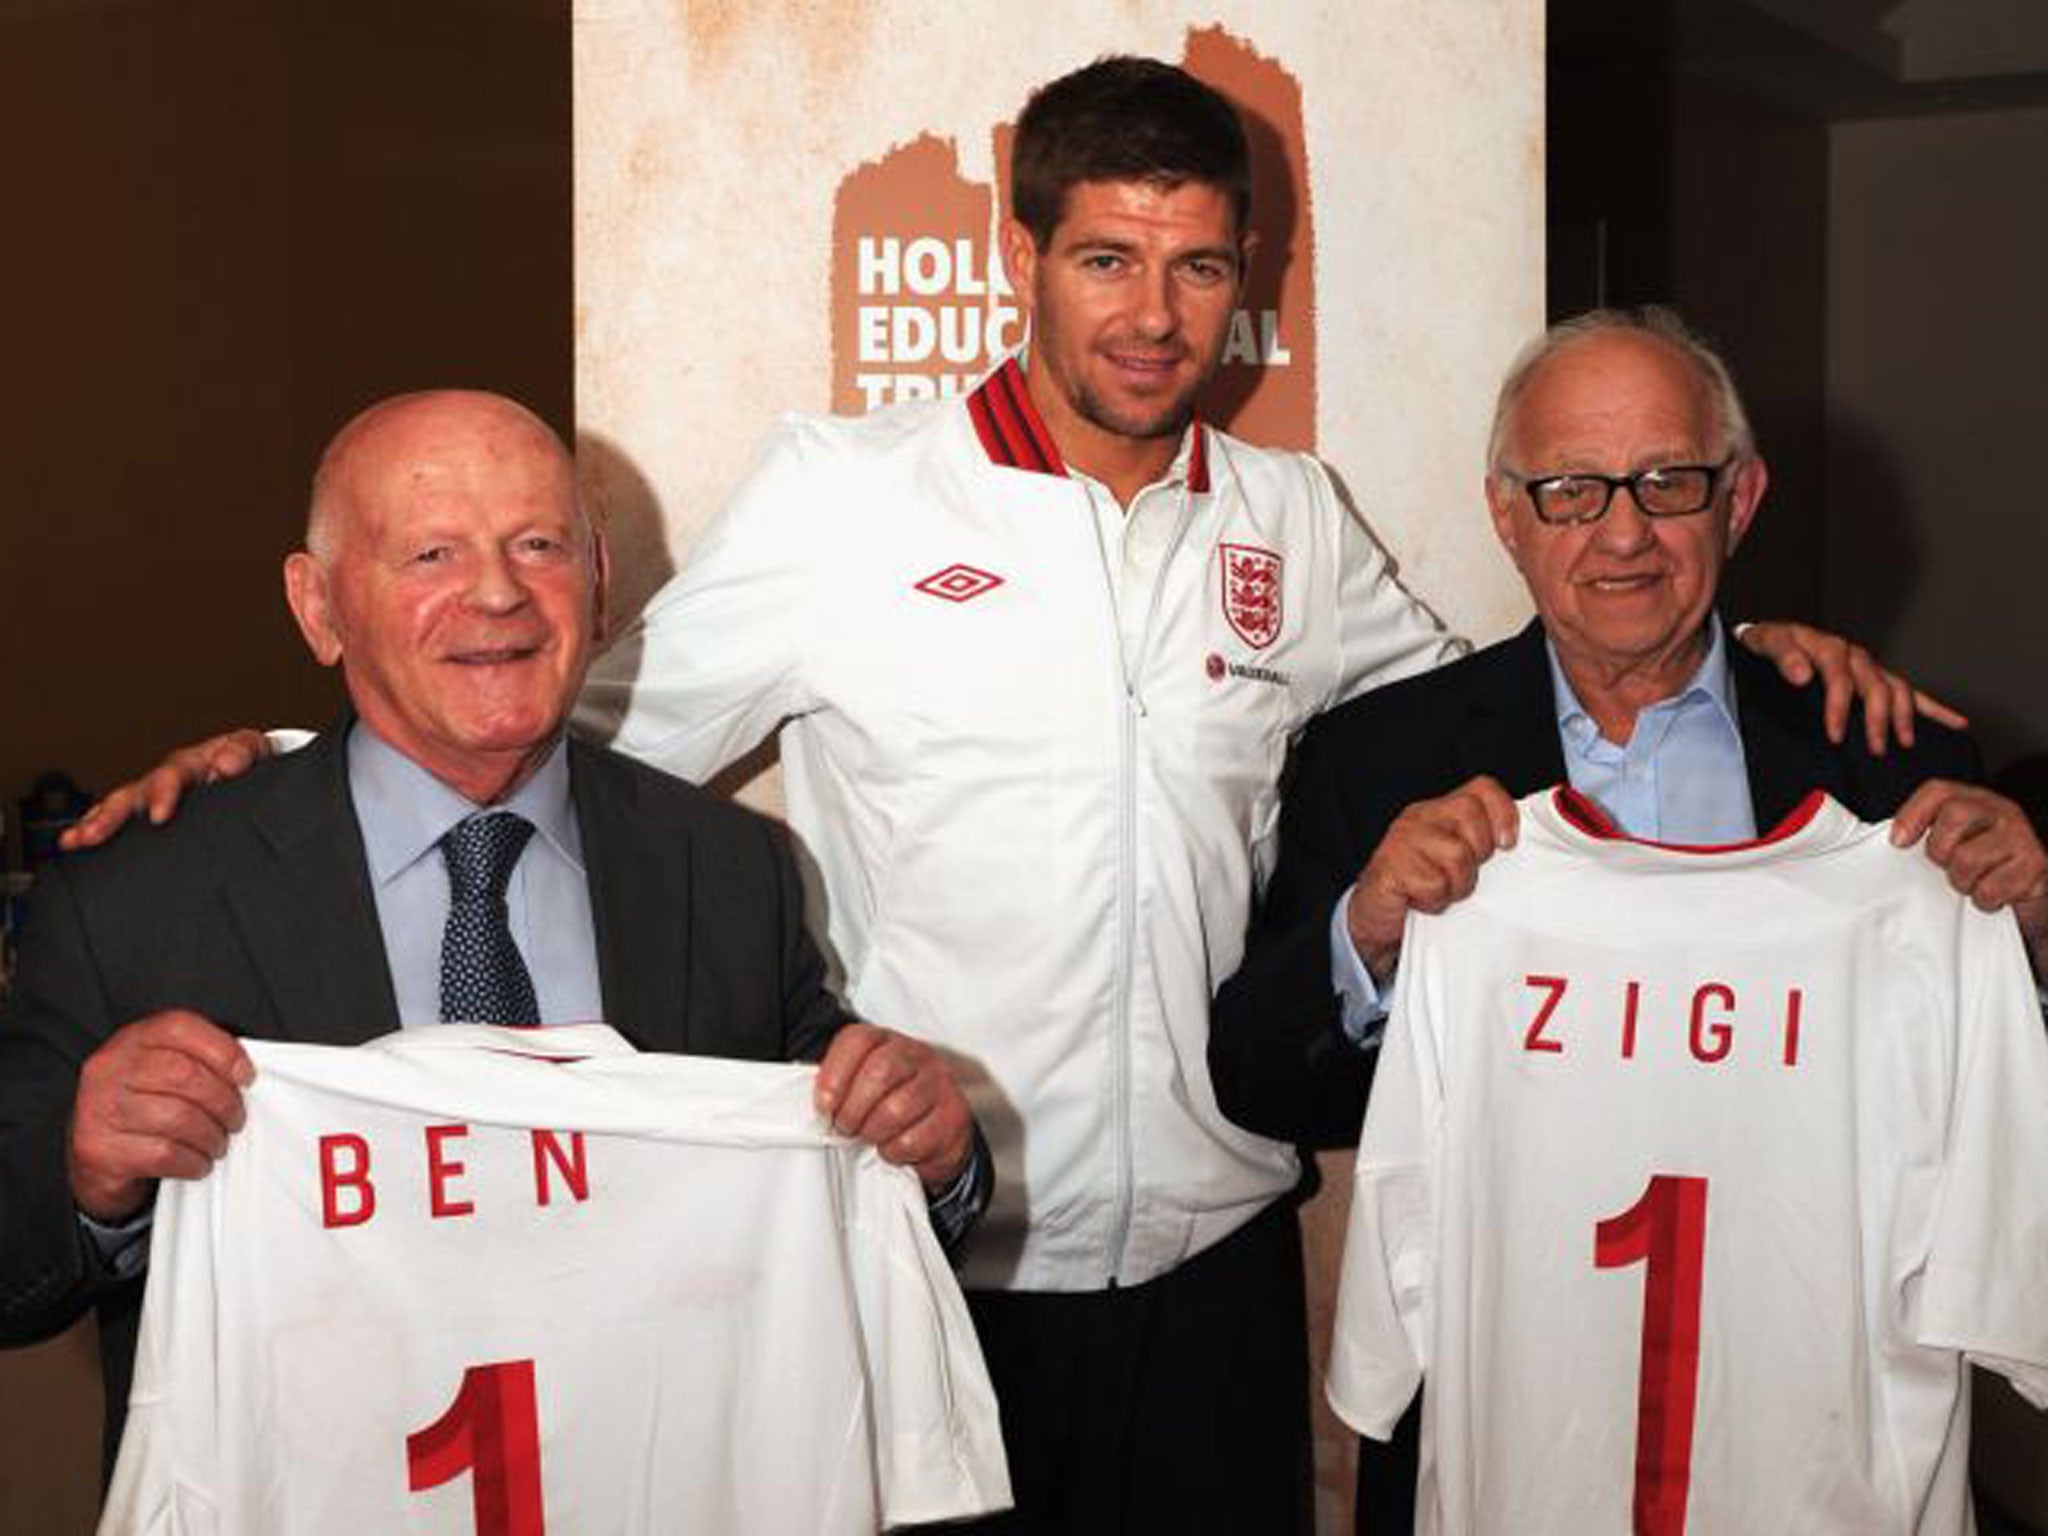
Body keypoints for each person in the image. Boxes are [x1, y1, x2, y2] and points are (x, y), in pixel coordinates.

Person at [62, 73, 1932, 1533]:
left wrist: (1742, 647)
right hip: (930, 1257)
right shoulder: (847, 495)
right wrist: (299, 764)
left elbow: (1505, 695)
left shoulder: (1284, 518)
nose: (1151, 310)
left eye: (1197, 263)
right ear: (1017, 254)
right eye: (1106, 257)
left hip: (1212, 1265)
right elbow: (569, 714)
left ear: (1243, 282)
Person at [0, 390, 982, 1472]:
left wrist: (928, 1156)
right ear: (319, 607)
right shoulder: (138, 897)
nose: (498, 592)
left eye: (538, 544)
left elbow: (834, 1187)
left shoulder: (726, 869)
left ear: (600, 584)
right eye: (430, 554)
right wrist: (85, 1177)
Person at [1208, 305, 2048, 1532]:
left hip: (1807, 1465)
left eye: (1665, 482)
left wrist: (2029, 936)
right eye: (1567, 489)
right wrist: (1371, 931)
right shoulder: (1376, 761)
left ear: (1738, 500)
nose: (1620, 533)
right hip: (1516, 1461)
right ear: (1503, 513)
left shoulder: (1891, 767)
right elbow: (1255, 1080)